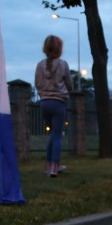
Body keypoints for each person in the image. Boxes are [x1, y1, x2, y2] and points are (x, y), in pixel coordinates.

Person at [35, 35, 74, 177]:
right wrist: (69, 90)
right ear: (60, 49)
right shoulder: (63, 64)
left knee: (52, 135)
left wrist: (44, 93)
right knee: (57, 136)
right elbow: (69, 83)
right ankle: (54, 167)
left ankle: (48, 165)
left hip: (44, 103)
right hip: (58, 103)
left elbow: (37, 84)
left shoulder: (40, 65)